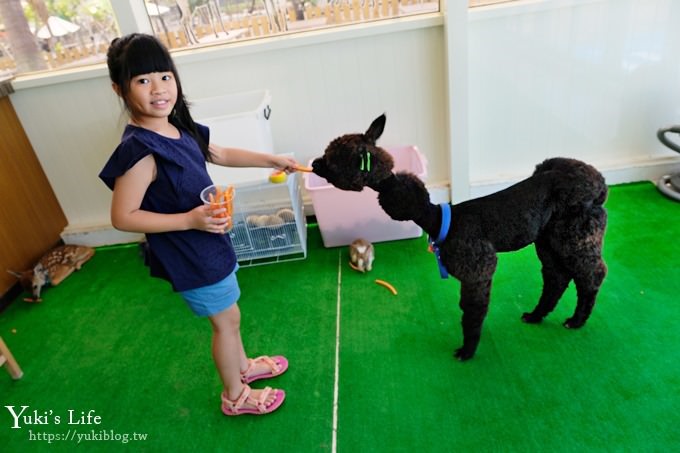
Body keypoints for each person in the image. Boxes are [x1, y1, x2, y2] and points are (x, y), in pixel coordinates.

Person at [99, 33, 298, 416]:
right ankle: (235, 396)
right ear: (119, 89)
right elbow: (123, 217)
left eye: (165, 76)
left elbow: (218, 152)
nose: (158, 89)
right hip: (190, 253)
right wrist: (190, 218)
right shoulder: (140, 150)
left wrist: (269, 159)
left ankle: (243, 367)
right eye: (142, 81)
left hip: (210, 242)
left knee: (232, 314)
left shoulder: (177, 125)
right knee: (225, 323)